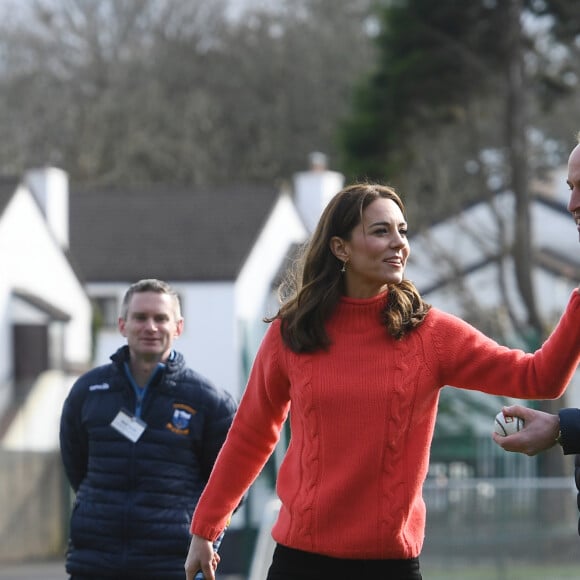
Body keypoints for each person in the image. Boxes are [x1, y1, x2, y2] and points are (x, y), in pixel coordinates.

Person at [185, 183, 580, 580]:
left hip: (390, 567)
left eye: (402, 230)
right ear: (340, 248)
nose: (399, 243)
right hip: (299, 562)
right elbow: (251, 434)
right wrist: (206, 528)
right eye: (381, 231)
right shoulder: (292, 331)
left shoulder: (430, 333)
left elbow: (539, 377)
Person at [59, 278, 237, 579]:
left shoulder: (209, 401)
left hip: (172, 565)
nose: (150, 327)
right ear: (122, 325)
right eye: (140, 317)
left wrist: (206, 537)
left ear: (178, 327)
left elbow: (230, 484)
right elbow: (76, 466)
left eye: (161, 318)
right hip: (95, 562)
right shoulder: (88, 391)